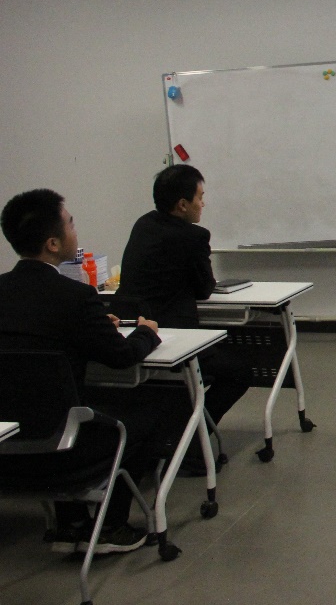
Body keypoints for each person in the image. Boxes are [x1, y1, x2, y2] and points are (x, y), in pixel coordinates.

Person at [0, 188, 187, 553]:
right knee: (145, 418)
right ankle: (108, 527)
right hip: (62, 450)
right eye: (71, 223)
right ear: (53, 243)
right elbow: (122, 355)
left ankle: (71, 522)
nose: (76, 230)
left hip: (6, 446)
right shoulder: (75, 297)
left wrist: (96, 325)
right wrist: (147, 332)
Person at [117, 165, 249, 435]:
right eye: (200, 197)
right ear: (182, 204)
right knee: (240, 372)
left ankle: (177, 429)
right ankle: (191, 436)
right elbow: (204, 288)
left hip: (132, 333)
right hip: (173, 340)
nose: (203, 203)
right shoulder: (194, 236)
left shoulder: (143, 224)